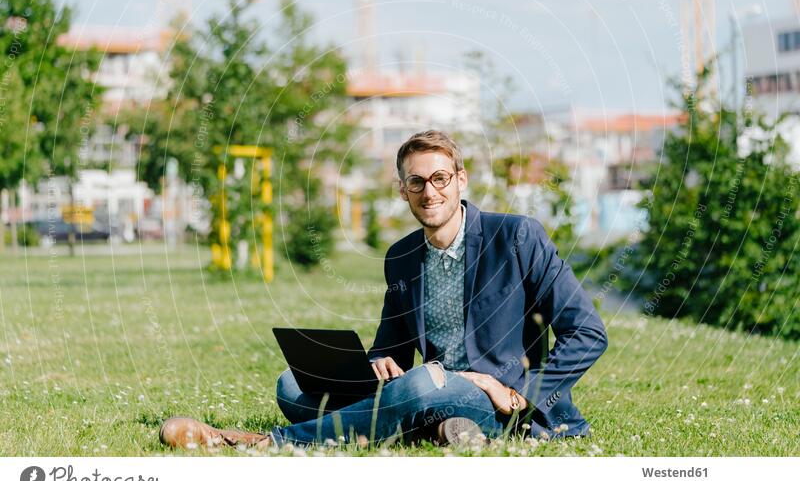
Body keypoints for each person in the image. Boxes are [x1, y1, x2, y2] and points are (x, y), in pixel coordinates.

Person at [160, 130, 608, 450]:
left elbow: (588, 332)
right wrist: (377, 362)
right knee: (292, 385)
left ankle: (262, 443)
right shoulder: (401, 256)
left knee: (418, 386)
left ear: (461, 180)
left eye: (440, 178)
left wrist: (514, 388)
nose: (429, 191)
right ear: (403, 190)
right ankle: (436, 428)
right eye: (416, 182)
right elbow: (390, 345)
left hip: (499, 401)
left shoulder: (516, 237)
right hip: (428, 384)